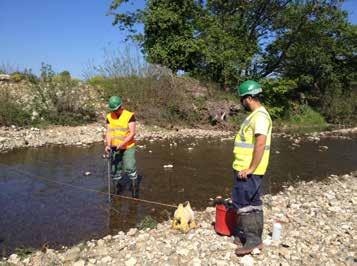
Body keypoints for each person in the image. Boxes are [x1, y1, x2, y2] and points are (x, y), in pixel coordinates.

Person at [231, 80, 272, 256]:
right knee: (254, 202)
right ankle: (254, 238)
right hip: (248, 169)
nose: (242, 102)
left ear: (248, 98)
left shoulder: (260, 116)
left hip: (247, 170)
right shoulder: (256, 115)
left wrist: (251, 168)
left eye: (242, 99)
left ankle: (252, 241)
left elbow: (260, 142)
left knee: (242, 203)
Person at [105, 96, 138, 196]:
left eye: (116, 109)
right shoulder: (109, 116)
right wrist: (108, 145)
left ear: (121, 106)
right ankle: (117, 187)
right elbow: (109, 132)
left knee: (130, 166)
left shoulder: (129, 115)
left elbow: (132, 133)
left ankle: (134, 187)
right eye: (113, 110)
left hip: (128, 146)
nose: (115, 112)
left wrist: (122, 144)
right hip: (115, 147)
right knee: (115, 168)